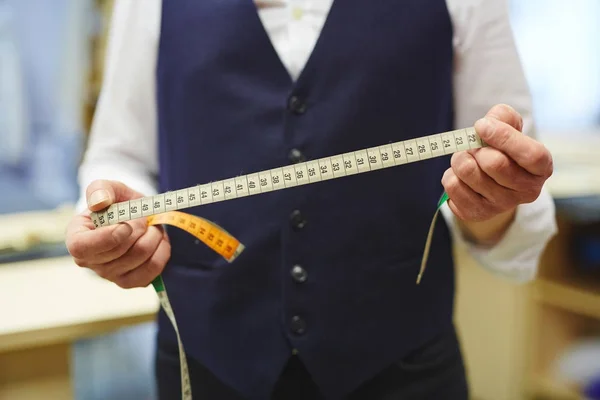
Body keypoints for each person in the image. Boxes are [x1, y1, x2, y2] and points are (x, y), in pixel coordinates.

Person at [66, 0, 558, 399]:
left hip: (402, 364)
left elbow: (510, 166)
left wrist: (494, 204)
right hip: (207, 356)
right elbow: (121, 154)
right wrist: (117, 218)